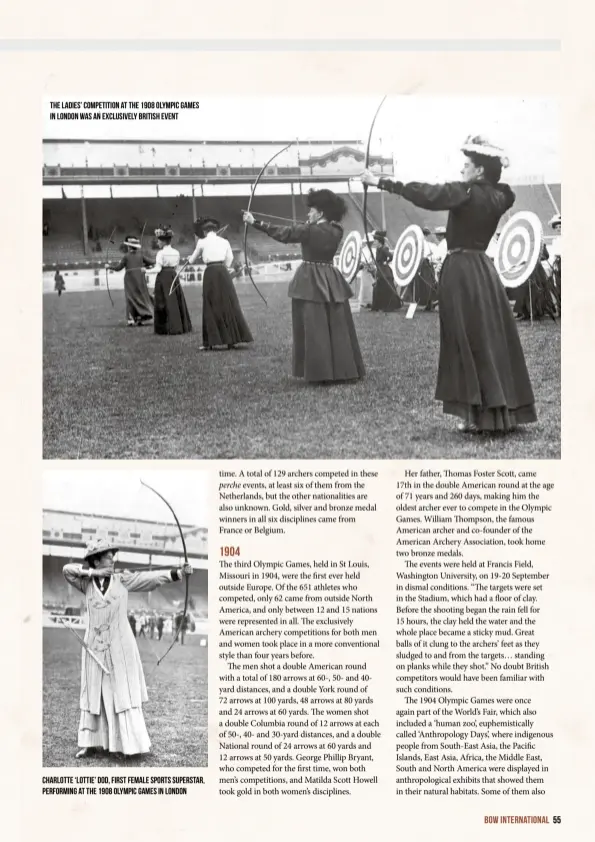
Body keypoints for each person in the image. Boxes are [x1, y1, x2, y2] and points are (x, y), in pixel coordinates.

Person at [360, 134, 536, 433]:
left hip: (461, 271)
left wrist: (379, 181)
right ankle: (496, 411)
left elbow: (427, 193)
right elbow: (505, 190)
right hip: (483, 270)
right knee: (488, 337)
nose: (461, 171)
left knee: (464, 338)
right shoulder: (499, 196)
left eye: (467, 165)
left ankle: (476, 415)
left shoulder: (466, 191)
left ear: (479, 170)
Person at [62, 538, 193, 760]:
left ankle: (126, 746)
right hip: (94, 646)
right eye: (107, 554)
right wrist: (94, 574)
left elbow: (150, 578)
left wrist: (178, 573)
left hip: (120, 647)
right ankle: (90, 743)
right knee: (93, 694)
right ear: (95, 560)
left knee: (121, 693)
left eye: (113, 554)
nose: (112, 557)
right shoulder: (85, 583)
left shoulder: (122, 579)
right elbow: (68, 570)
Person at [243, 189, 365, 384]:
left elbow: (284, 234)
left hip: (310, 278)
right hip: (330, 276)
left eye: (312, 210)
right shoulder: (337, 230)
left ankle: (320, 372)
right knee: (336, 323)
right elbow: (307, 231)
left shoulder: (308, 230)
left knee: (314, 325)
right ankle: (344, 369)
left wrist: (254, 222)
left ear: (321, 212)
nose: (308, 214)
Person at [188, 217, 253, 350]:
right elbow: (229, 258)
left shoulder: (202, 242)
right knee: (227, 303)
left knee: (211, 304)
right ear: (215, 230)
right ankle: (231, 340)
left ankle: (210, 343)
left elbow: (192, 261)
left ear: (205, 231)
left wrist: (191, 259)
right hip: (223, 272)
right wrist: (223, 266)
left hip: (210, 272)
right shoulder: (224, 241)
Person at [152, 226, 193, 335]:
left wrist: (145, 271)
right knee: (174, 300)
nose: (157, 243)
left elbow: (158, 268)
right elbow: (176, 267)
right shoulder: (176, 252)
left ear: (163, 241)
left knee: (163, 301)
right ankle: (179, 326)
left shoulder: (160, 253)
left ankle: (165, 328)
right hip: (173, 276)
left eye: (159, 240)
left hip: (163, 277)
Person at [106, 236, 154, 326]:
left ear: (129, 247)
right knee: (140, 297)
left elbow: (118, 268)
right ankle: (140, 318)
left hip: (130, 280)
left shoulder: (126, 257)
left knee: (130, 298)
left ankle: (131, 319)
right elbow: (152, 262)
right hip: (140, 279)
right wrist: (146, 266)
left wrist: (109, 266)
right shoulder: (141, 255)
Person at [369, 230, 401, 312]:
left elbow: (391, 256)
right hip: (380, 271)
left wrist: (386, 262)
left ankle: (388, 306)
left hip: (385, 271)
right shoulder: (378, 249)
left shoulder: (383, 249)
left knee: (385, 289)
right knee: (378, 288)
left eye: (375, 240)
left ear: (379, 241)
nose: (374, 242)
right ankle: (377, 306)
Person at [548, 214, 562, 315]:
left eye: (560, 226)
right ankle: (560, 308)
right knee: (557, 286)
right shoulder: (555, 240)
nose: (558, 229)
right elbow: (553, 255)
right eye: (556, 227)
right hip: (557, 265)